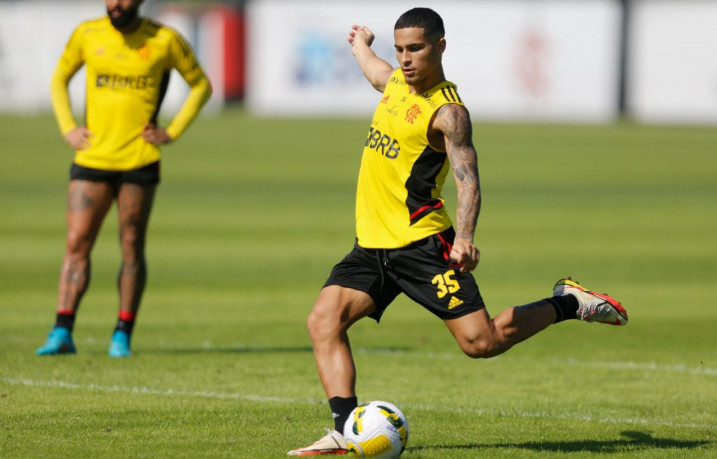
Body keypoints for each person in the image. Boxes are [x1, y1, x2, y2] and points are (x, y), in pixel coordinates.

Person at [287, 7, 629, 456]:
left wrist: (464, 237)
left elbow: (468, 180)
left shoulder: (449, 113)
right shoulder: (394, 83)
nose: (406, 59)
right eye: (400, 50)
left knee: (480, 342)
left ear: (440, 47)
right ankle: (344, 429)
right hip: (372, 246)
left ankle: (568, 301)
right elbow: (376, 73)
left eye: (416, 49)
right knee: (323, 321)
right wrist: (360, 46)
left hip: (423, 245)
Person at [36, 0, 212, 358]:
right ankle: (62, 329)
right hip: (92, 158)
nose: (116, 3)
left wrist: (173, 130)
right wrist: (69, 128)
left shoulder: (164, 39)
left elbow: (201, 85)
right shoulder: (88, 34)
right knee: (76, 243)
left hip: (138, 160)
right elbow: (59, 79)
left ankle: (122, 333)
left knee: (131, 245)